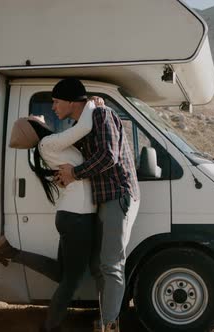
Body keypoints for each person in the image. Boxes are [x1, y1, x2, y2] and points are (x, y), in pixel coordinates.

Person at [0, 94, 101, 332]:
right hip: (77, 217)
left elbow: (79, 132)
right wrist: (93, 103)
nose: (43, 115)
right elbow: (85, 125)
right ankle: (50, 326)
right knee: (71, 280)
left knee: (61, 273)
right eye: (35, 118)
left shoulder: (52, 144)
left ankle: (10, 251)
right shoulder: (49, 144)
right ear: (34, 128)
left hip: (71, 215)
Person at [55, 78, 140, 332]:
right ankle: (107, 319)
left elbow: (108, 156)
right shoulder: (84, 122)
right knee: (99, 265)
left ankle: (110, 326)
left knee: (111, 265)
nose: (53, 107)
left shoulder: (102, 115)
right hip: (104, 199)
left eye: (56, 101)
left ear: (71, 101)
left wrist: (75, 173)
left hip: (118, 194)